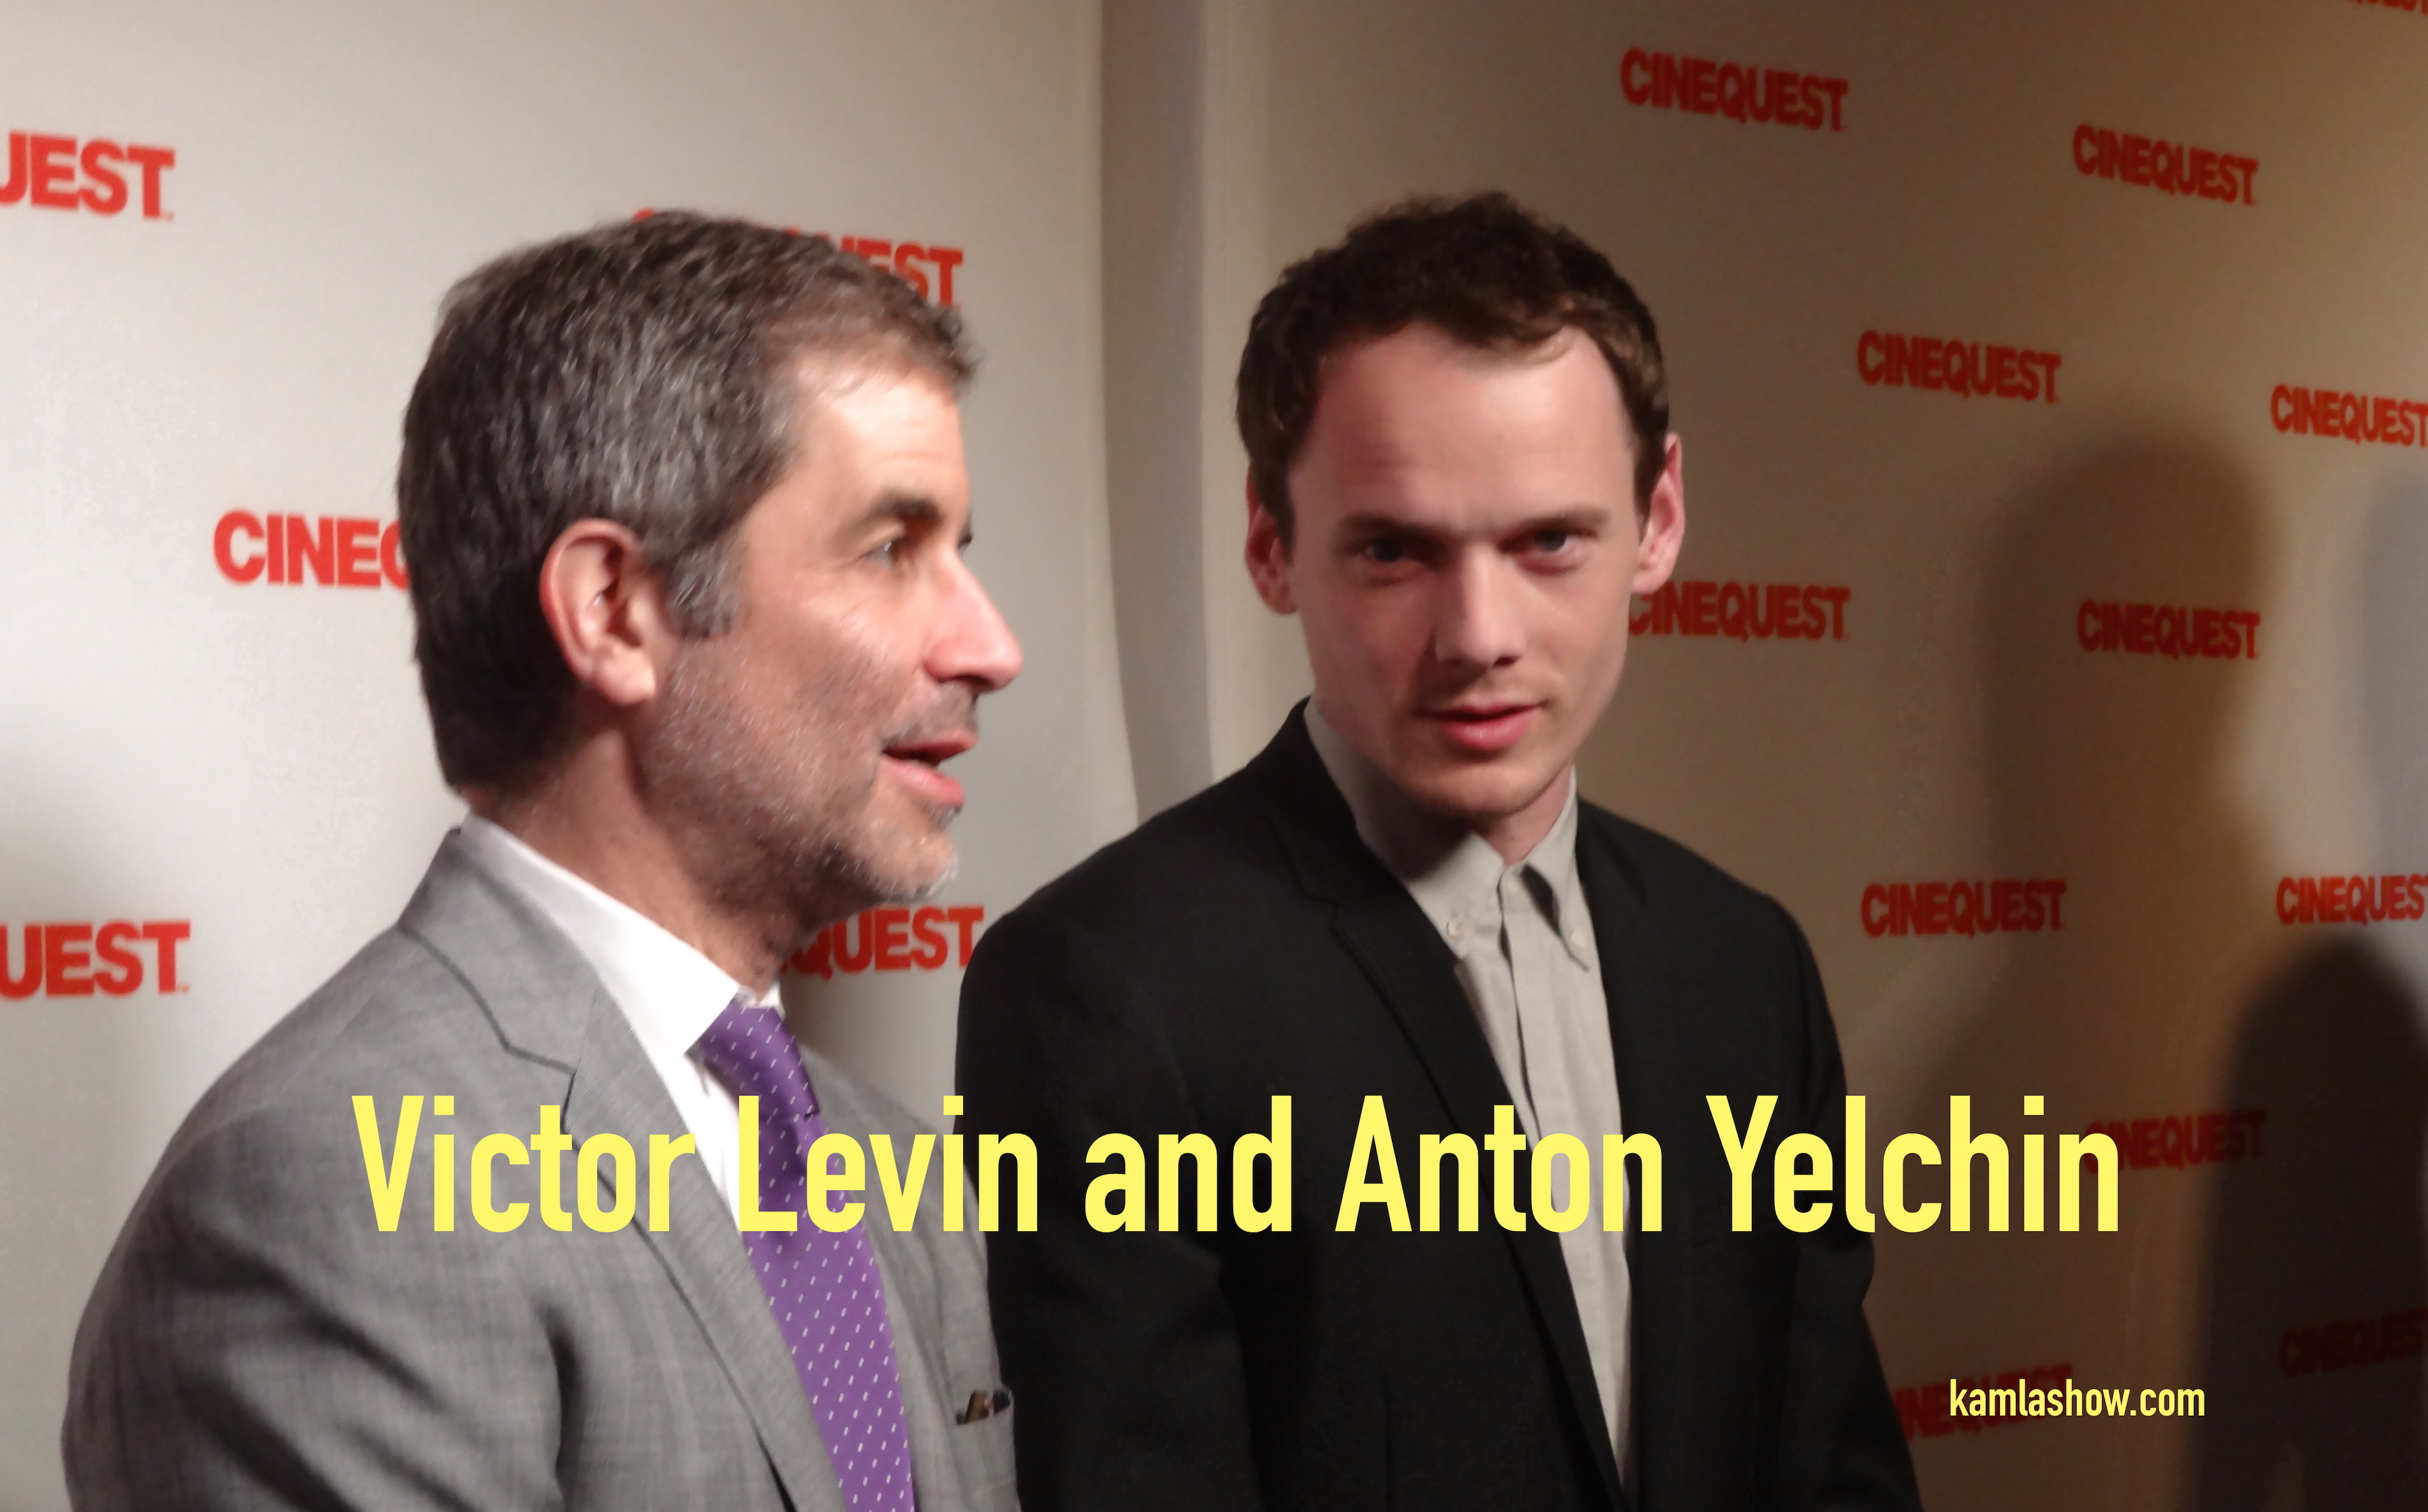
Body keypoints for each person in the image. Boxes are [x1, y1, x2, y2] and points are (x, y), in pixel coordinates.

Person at [957, 193, 1919, 1511]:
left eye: (1549, 542)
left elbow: (1832, 1471)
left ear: (1658, 521)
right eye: (1395, 550)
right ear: (1270, 542)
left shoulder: (1743, 963)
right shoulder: (1104, 991)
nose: (1478, 635)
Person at [64, 212, 1025, 1511]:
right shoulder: (327, 1192)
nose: (991, 646)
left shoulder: (879, 1164)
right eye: (890, 549)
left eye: (959, 552)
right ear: (613, 611)